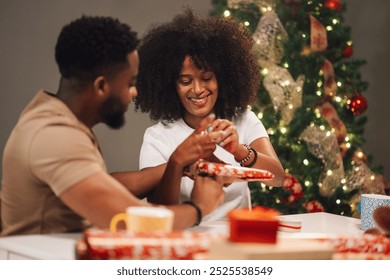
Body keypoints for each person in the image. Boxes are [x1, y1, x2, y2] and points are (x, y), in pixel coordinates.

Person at [0, 15, 226, 236]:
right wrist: (199, 208)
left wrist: (180, 162)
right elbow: (127, 221)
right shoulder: (54, 137)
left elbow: (107, 186)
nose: (134, 92)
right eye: (130, 83)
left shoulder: (55, 119)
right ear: (101, 86)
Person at [135, 9, 285, 222]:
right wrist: (180, 165)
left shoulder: (243, 119)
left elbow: (278, 178)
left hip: (238, 240)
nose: (197, 89)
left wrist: (239, 151)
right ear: (171, 86)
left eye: (206, 78)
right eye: (185, 81)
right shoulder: (157, 136)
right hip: (188, 238)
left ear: (222, 78)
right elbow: (158, 208)